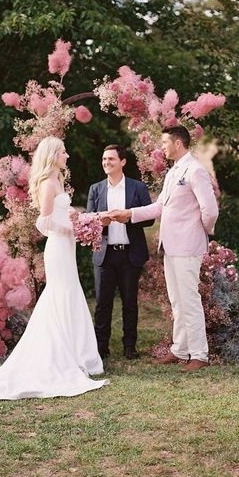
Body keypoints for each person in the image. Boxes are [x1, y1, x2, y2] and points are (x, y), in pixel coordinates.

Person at [0, 136, 108, 399]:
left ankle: (79, 355)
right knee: (61, 293)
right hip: (57, 247)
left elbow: (58, 214)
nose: (67, 156)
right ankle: (61, 356)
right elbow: (43, 223)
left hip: (65, 245)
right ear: (53, 155)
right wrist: (70, 229)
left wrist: (77, 220)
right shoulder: (47, 183)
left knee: (68, 293)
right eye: (63, 152)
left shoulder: (57, 181)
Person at [109, 127, 218, 372]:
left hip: (188, 246)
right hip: (170, 247)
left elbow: (210, 211)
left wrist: (201, 231)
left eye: (165, 142)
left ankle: (199, 354)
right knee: (177, 301)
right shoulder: (173, 173)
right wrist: (129, 214)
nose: (162, 147)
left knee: (189, 300)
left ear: (178, 143)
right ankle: (180, 349)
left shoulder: (195, 170)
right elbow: (159, 207)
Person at [87, 145, 154, 360]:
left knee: (130, 302)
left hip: (129, 254)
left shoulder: (138, 187)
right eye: (104, 159)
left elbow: (150, 218)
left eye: (111, 159)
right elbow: (87, 221)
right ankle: (101, 348)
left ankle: (129, 346)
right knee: (102, 303)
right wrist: (101, 219)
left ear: (123, 162)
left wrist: (129, 216)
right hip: (104, 255)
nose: (107, 163)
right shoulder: (95, 189)